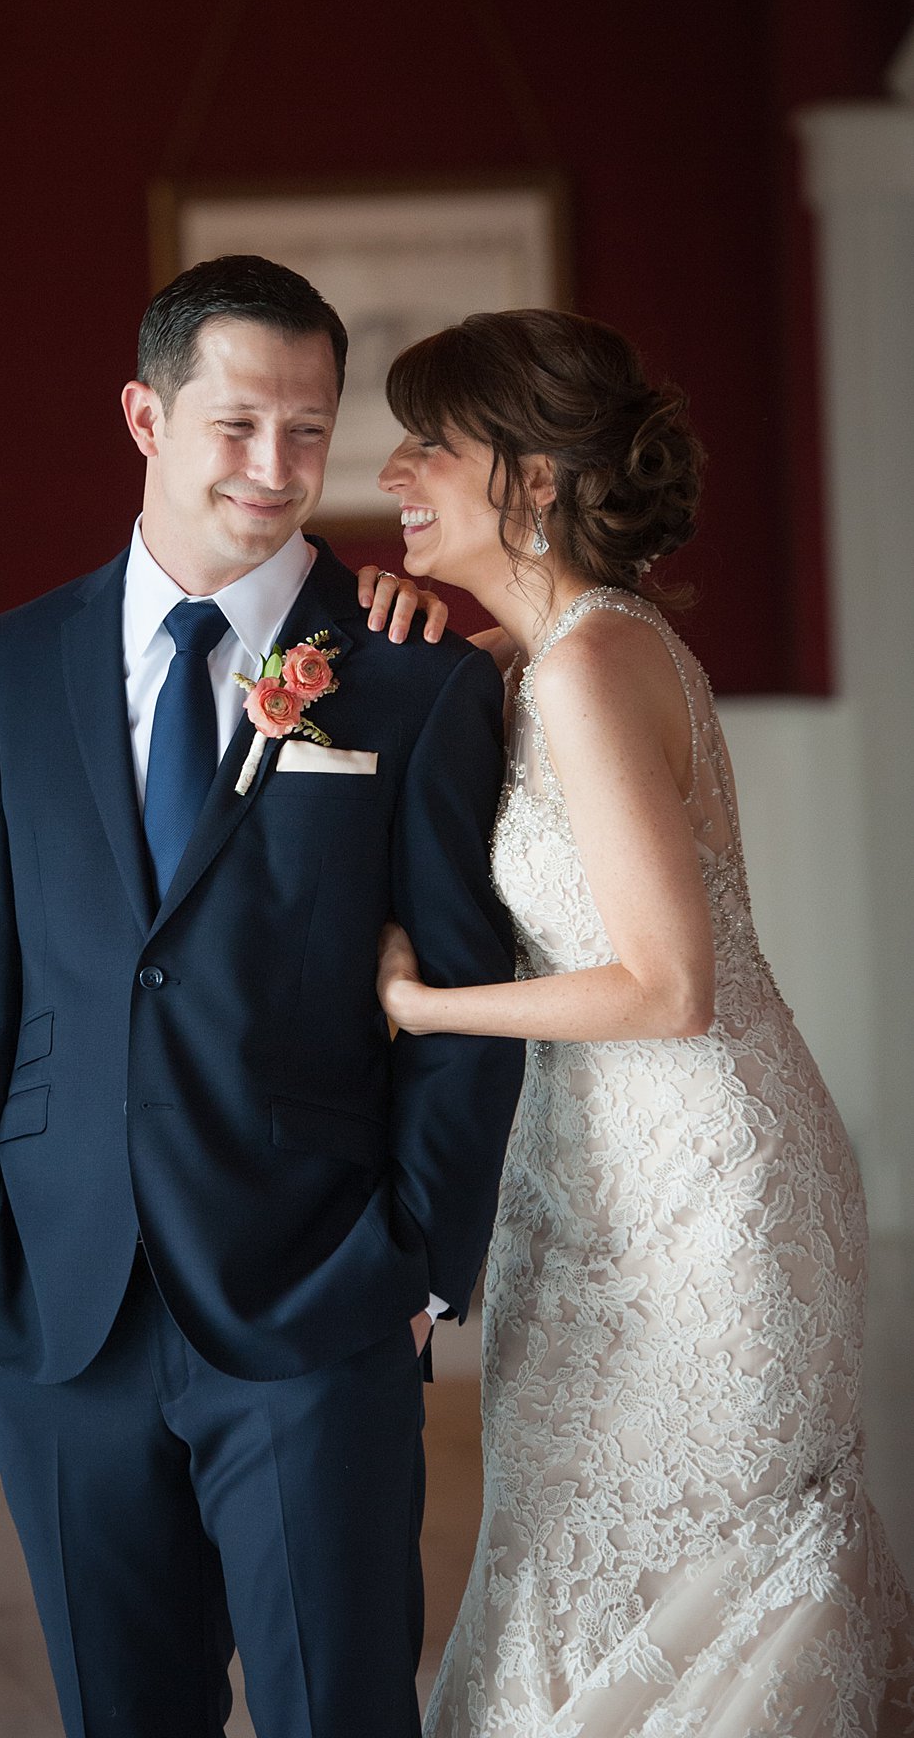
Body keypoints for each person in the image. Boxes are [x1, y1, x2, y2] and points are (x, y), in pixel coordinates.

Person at [0, 254, 525, 1738]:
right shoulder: (12, 665)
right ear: (146, 416)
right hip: (59, 1311)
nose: (276, 467)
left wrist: (413, 1272)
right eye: (238, 425)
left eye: (308, 431)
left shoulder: (411, 674)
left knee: (340, 1712)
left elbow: (464, 988)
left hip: (317, 1302)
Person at [371, 308, 914, 1736]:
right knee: (575, 1559)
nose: (394, 466)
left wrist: (423, 1006)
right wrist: (452, 641)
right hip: (595, 1184)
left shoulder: (591, 669)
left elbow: (672, 987)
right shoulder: (566, 652)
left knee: (706, 1578)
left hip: (703, 1196)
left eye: (432, 440)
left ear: (534, 483)